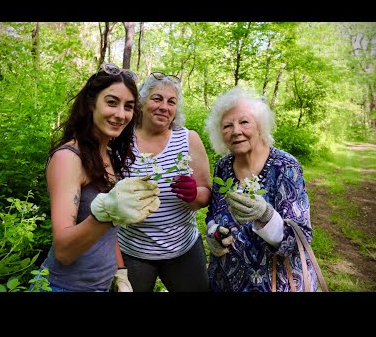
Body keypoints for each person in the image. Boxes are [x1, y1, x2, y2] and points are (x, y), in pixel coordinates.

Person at [33, 63, 161, 292]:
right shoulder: (68, 158)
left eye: (129, 106)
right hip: (62, 286)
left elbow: (108, 234)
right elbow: (63, 251)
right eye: (111, 102)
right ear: (91, 104)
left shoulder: (109, 157)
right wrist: (108, 213)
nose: (121, 114)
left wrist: (120, 273)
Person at [204, 85, 317, 292]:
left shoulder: (285, 166)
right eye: (227, 126)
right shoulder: (223, 166)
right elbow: (214, 213)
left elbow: (301, 235)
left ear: (260, 127)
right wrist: (214, 233)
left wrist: (266, 215)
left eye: (244, 122)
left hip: (277, 282)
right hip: (228, 282)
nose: (236, 131)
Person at [117, 71, 211, 292]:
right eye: (157, 98)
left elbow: (206, 192)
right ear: (141, 102)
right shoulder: (121, 139)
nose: (164, 107)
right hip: (133, 249)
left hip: (182, 248)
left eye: (171, 102)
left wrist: (193, 195)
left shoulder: (188, 139)